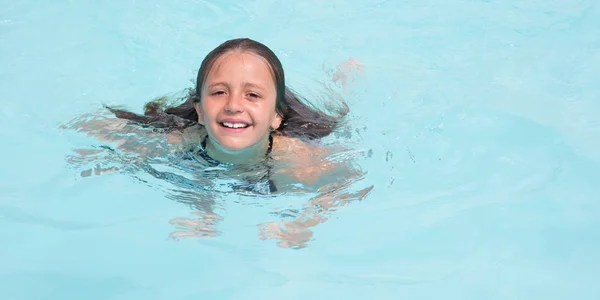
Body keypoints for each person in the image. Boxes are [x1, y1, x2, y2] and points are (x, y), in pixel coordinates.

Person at [63, 38, 372, 248]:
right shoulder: (180, 141)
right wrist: (106, 159)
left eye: (252, 95)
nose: (233, 105)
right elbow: (88, 124)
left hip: (301, 130)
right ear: (199, 109)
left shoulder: (296, 159)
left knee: (335, 115)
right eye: (219, 92)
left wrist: (305, 223)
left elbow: (348, 182)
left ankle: (340, 80)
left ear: (276, 116)